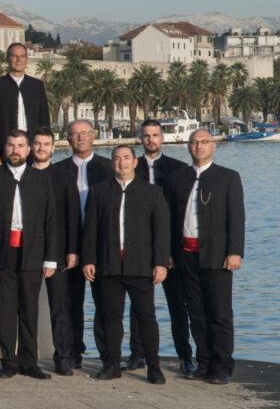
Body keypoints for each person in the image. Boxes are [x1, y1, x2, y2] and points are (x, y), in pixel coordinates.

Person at [81, 145, 169, 384]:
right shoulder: (99, 191)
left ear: (135, 162)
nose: (122, 162)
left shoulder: (152, 192)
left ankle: (154, 367)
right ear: (112, 163)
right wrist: (88, 259)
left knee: (146, 317)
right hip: (108, 265)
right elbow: (90, 229)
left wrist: (160, 263)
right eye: (117, 158)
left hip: (140, 266)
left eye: (127, 158)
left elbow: (161, 232)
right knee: (110, 317)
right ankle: (111, 365)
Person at [0, 129, 56, 380]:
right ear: (5, 148)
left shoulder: (41, 179)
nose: (15, 150)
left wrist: (50, 258)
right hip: (1, 253)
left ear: (28, 150)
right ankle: (9, 361)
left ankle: (29, 362)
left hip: (32, 253)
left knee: (29, 309)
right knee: (5, 309)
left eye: (21, 146)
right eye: (11, 145)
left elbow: (50, 220)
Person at [167, 128, 245, 385]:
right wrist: (168, 253)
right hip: (185, 255)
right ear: (188, 146)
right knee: (196, 312)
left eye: (204, 142)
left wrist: (235, 252)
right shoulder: (177, 178)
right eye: (194, 142)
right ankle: (204, 362)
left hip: (217, 256)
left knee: (219, 312)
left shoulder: (228, 177)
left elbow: (237, 218)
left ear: (213, 146)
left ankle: (222, 365)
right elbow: (170, 220)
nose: (198, 146)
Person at [127, 119, 193, 374]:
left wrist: (169, 251)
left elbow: (181, 213)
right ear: (140, 138)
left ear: (162, 138)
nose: (150, 139)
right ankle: (137, 354)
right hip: (138, 247)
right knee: (138, 305)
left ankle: (185, 356)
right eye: (146, 135)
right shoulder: (131, 167)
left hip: (171, 248)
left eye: (155, 135)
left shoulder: (178, 169)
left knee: (177, 304)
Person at [55, 120, 114, 368]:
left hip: (101, 244)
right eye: (74, 134)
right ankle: (73, 352)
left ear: (94, 135)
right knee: (71, 302)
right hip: (68, 244)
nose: (80, 138)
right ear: (68, 138)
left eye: (84, 133)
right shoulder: (57, 170)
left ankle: (108, 355)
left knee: (105, 301)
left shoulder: (108, 168)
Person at [29, 127, 80, 376]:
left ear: (53, 147)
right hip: (27, 251)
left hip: (58, 251)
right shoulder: (22, 174)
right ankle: (26, 357)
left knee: (60, 307)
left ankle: (63, 358)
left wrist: (73, 250)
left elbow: (73, 215)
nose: (41, 148)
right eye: (37, 143)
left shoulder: (64, 176)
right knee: (27, 307)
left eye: (46, 144)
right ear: (31, 146)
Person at [0, 43, 50, 167]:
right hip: (5, 146)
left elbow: (44, 120)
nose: (19, 60)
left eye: (22, 56)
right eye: (14, 56)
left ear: (26, 59)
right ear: (7, 59)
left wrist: (46, 147)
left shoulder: (37, 86)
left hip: (33, 146)